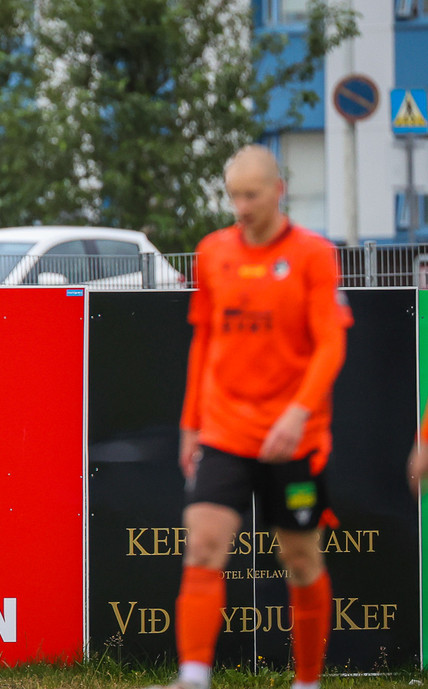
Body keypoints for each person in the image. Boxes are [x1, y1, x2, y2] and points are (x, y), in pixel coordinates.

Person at [152, 145, 353, 689]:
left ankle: (307, 681)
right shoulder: (212, 251)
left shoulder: (313, 254)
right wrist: (190, 424)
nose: (241, 207)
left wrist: (298, 413)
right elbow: (204, 342)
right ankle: (194, 676)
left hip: (295, 439)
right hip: (225, 430)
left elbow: (331, 344)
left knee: (300, 559)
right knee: (203, 544)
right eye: (234, 196)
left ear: (278, 191)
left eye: (252, 195)